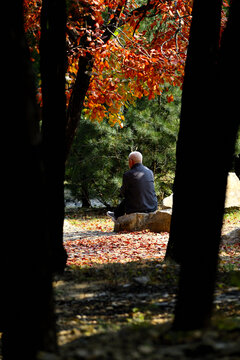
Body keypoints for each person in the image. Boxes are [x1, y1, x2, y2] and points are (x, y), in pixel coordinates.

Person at [107, 151, 158, 221]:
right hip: (153, 206)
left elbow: (123, 193)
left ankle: (116, 215)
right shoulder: (150, 172)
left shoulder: (128, 174)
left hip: (136, 208)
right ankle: (116, 214)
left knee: (128, 198)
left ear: (131, 161)